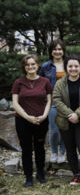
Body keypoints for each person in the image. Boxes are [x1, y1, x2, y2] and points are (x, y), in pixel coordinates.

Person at [53, 56, 80, 187]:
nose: (73, 69)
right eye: (70, 66)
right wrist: (69, 114)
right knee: (70, 149)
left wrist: (77, 114)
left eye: (76, 66)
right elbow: (56, 99)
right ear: (66, 68)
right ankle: (75, 175)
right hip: (65, 121)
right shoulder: (60, 83)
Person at [12, 55, 52, 187]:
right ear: (24, 67)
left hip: (41, 120)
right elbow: (15, 103)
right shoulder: (19, 82)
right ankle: (28, 177)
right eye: (27, 64)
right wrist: (27, 117)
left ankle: (40, 174)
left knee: (40, 147)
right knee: (26, 149)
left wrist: (44, 115)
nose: (30, 67)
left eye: (33, 64)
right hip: (23, 121)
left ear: (38, 65)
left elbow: (49, 101)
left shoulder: (45, 81)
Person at [39, 39, 66, 164]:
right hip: (52, 101)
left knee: (65, 128)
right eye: (55, 49)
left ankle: (62, 152)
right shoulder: (46, 66)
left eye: (60, 49)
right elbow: (40, 84)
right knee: (54, 129)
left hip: (67, 101)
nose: (57, 51)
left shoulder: (68, 64)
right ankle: (54, 152)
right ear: (51, 51)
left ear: (63, 51)